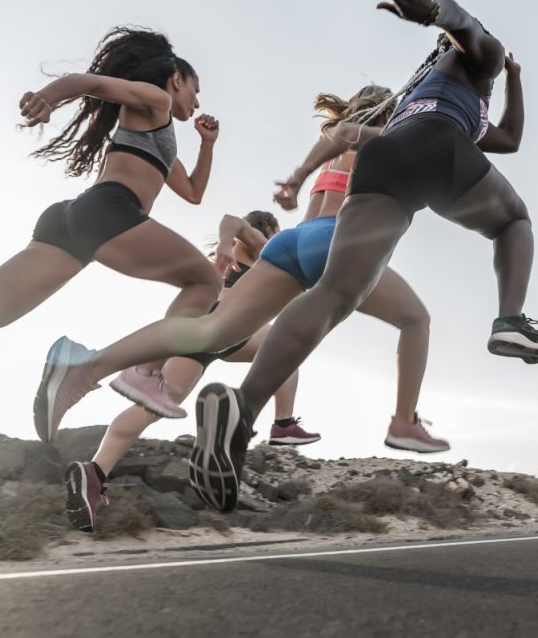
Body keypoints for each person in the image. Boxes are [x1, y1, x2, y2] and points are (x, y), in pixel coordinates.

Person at [189, 0, 538, 510]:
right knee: (513, 221)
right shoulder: (479, 58)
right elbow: (468, 30)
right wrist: (445, 20)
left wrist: (515, 80)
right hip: (440, 148)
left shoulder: (431, 92)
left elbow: (503, 138)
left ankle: (240, 415)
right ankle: (510, 322)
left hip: (386, 157)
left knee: (335, 296)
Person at [37, 83, 448, 511]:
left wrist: (291, 185)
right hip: (339, 242)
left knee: (212, 331)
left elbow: (331, 154)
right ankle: (398, 421)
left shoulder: (335, 144)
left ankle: (87, 367)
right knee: (413, 320)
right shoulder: (382, 141)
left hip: (292, 241)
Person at [0, 27, 223, 438]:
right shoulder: (155, 100)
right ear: (176, 79)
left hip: (72, 222)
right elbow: (93, 83)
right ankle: (144, 372)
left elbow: (192, 193)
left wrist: (207, 144)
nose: (198, 100)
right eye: (196, 88)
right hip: (109, 212)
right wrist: (48, 97)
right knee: (207, 281)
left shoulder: (159, 132)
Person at [63, 211, 316, 532]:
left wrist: (225, 246)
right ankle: (279, 423)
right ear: (267, 228)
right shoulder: (264, 245)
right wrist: (228, 241)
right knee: (287, 346)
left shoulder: (243, 255)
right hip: (226, 321)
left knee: (156, 403)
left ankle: (93, 473)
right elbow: (231, 220)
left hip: (202, 326)